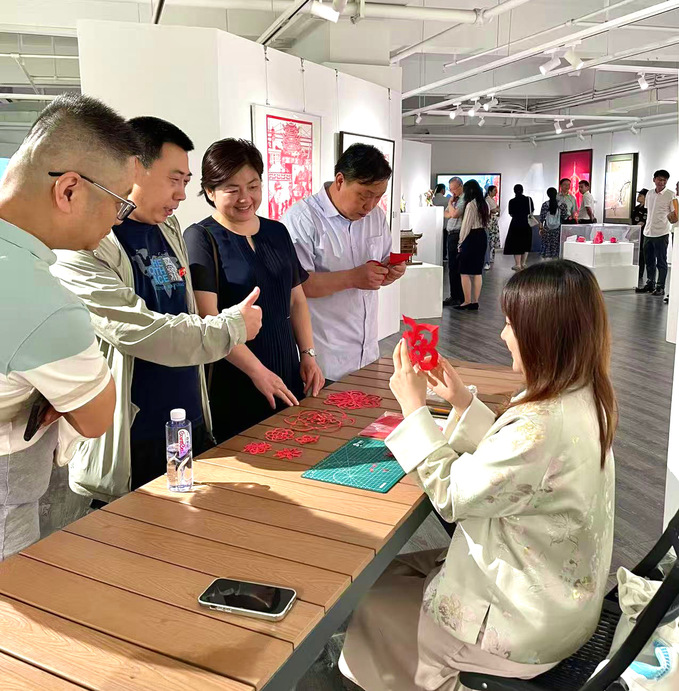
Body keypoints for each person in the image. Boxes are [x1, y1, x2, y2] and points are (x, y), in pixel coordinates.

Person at [340, 259, 616, 691]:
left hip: (519, 629)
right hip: (562, 606)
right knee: (391, 573)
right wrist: (463, 402)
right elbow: (522, 469)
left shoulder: (540, 425)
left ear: (543, 337)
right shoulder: (586, 396)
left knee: (367, 597)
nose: (503, 336)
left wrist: (413, 410)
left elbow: (452, 495)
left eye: (510, 325)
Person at [53, 117, 262, 502]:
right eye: (174, 180)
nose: (181, 194)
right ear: (134, 168)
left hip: (186, 423)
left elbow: (182, 313)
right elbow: (141, 331)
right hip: (132, 439)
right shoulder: (86, 243)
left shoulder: (168, 227)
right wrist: (231, 327)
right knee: (133, 537)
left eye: (186, 181)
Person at [0, 94, 134, 558]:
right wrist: (53, 393)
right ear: (70, 190)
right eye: (120, 203)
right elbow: (95, 417)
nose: (118, 220)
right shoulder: (45, 303)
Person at [185, 139, 324, 443]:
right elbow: (209, 317)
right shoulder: (200, 238)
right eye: (232, 189)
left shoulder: (277, 231)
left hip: (286, 367)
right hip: (235, 374)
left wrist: (308, 354)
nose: (245, 198)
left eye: (253, 186)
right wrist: (258, 372)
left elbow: (296, 299)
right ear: (209, 191)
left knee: (295, 446)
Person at [282, 144, 405, 383]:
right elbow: (298, 286)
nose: (370, 205)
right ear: (340, 180)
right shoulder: (302, 219)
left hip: (368, 353)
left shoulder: (376, 217)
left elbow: (379, 264)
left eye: (378, 197)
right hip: (324, 358)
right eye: (364, 195)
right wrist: (353, 277)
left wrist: (389, 272)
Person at [637, 169, 676, 297]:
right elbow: (649, 211)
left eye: (664, 180)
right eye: (659, 179)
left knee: (661, 261)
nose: (662, 182)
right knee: (649, 260)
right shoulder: (649, 193)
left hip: (661, 232)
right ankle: (650, 283)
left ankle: (660, 287)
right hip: (648, 232)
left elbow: (674, 213)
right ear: (654, 180)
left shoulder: (670, 195)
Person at [455, 179, 489, 311]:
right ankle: (475, 301)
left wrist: (460, 242)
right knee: (477, 272)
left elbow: (466, 226)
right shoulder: (484, 204)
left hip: (471, 237)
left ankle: (467, 301)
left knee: (464, 271)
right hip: (482, 237)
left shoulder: (470, 205)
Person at [443, 177, 466, 306]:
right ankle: (454, 295)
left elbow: (455, 214)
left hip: (458, 234)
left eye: (454, 189)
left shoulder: (463, 199)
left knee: (456, 266)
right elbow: (446, 213)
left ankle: (458, 296)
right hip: (451, 234)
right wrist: (451, 210)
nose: (452, 192)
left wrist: (451, 205)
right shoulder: (455, 200)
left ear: (461, 186)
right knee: (452, 266)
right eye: (450, 189)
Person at [504, 183, 534, 271]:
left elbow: (511, 213)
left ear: (514, 191)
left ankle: (518, 264)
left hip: (515, 224)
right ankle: (523, 263)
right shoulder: (528, 199)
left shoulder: (512, 201)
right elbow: (531, 210)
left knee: (516, 244)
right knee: (526, 243)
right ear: (522, 190)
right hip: (526, 223)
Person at [539, 187, 568, 259]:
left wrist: (540, 228)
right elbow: (565, 217)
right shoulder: (562, 205)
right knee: (556, 244)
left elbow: (542, 218)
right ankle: (555, 260)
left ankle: (547, 260)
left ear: (548, 195)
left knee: (547, 244)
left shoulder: (545, 205)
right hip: (558, 229)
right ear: (556, 194)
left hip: (547, 228)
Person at [632, 188, 649, 291]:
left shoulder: (647, 209)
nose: (638, 197)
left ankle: (640, 273)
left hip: (643, 234)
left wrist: (635, 229)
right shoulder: (636, 208)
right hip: (634, 233)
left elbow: (642, 222)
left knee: (642, 253)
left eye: (641, 196)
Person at [484, 184, 500, 269]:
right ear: (490, 191)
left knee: (493, 238)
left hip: (493, 221)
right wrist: (496, 210)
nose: (496, 192)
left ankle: (491, 257)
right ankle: (488, 257)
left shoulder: (492, 200)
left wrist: (496, 210)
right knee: (490, 238)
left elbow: (496, 209)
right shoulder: (487, 200)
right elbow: (493, 210)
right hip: (490, 222)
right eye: (494, 190)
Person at [432, 183, 449, 260]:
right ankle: (444, 256)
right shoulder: (447, 200)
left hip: (434, 224)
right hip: (445, 223)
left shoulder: (433, 200)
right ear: (442, 190)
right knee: (444, 241)